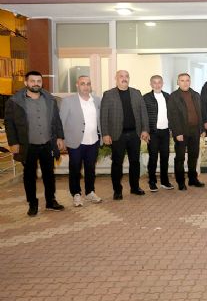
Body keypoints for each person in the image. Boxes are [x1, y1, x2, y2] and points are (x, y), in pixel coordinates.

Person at [5, 71, 65, 216]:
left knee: (49, 174)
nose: (36, 84)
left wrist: (60, 137)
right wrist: (13, 142)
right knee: (29, 176)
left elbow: (56, 120)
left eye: (38, 81)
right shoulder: (14, 102)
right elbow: (9, 123)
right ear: (26, 83)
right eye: (32, 81)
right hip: (27, 145)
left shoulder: (50, 99)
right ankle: (32, 204)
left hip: (47, 144)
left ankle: (50, 201)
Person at [100, 70, 150, 199]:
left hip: (134, 134)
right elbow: (103, 116)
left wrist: (145, 129)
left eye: (126, 76)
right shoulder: (108, 94)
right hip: (118, 135)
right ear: (116, 78)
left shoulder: (136, 93)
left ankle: (135, 187)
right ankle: (117, 190)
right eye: (121, 76)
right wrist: (105, 134)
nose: (124, 78)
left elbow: (143, 112)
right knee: (117, 163)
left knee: (135, 162)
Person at [60, 75, 102, 206]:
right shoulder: (68, 101)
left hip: (93, 141)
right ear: (77, 85)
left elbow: (100, 120)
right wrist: (61, 139)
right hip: (75, 141)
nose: (86, 86)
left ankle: (90, 192)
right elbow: (61, 121)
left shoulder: (97, 100)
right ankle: (76, 194)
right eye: (82, 84)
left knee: (90, 169)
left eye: (88, 84)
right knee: (75, 169)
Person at [168, 73, 204, 190]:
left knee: (194, 156)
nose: (185, 83)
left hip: (195, 130)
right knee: (180, 158)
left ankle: (193, 179)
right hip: (181, 132)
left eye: (187, 80)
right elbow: (172, 116)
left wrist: (202, 129)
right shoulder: (173, 96)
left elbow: (200, 113)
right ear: (178, 82)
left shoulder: (196, 95)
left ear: (190, 82)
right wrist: (177, 132)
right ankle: (181, 182)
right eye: (182, 80)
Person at [143, 75, 173, 192]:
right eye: (154, 82)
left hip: (165, 132)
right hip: (153, 132)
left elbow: (171, 114)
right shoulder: (146, 98)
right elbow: (143, 116)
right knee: (153, 157)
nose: (157, 85)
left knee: (165, 157)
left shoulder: (168, 96)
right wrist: (145, 131)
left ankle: (165, 181)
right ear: (151, 84)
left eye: (159, 82)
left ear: (162, 83)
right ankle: (152, 181)